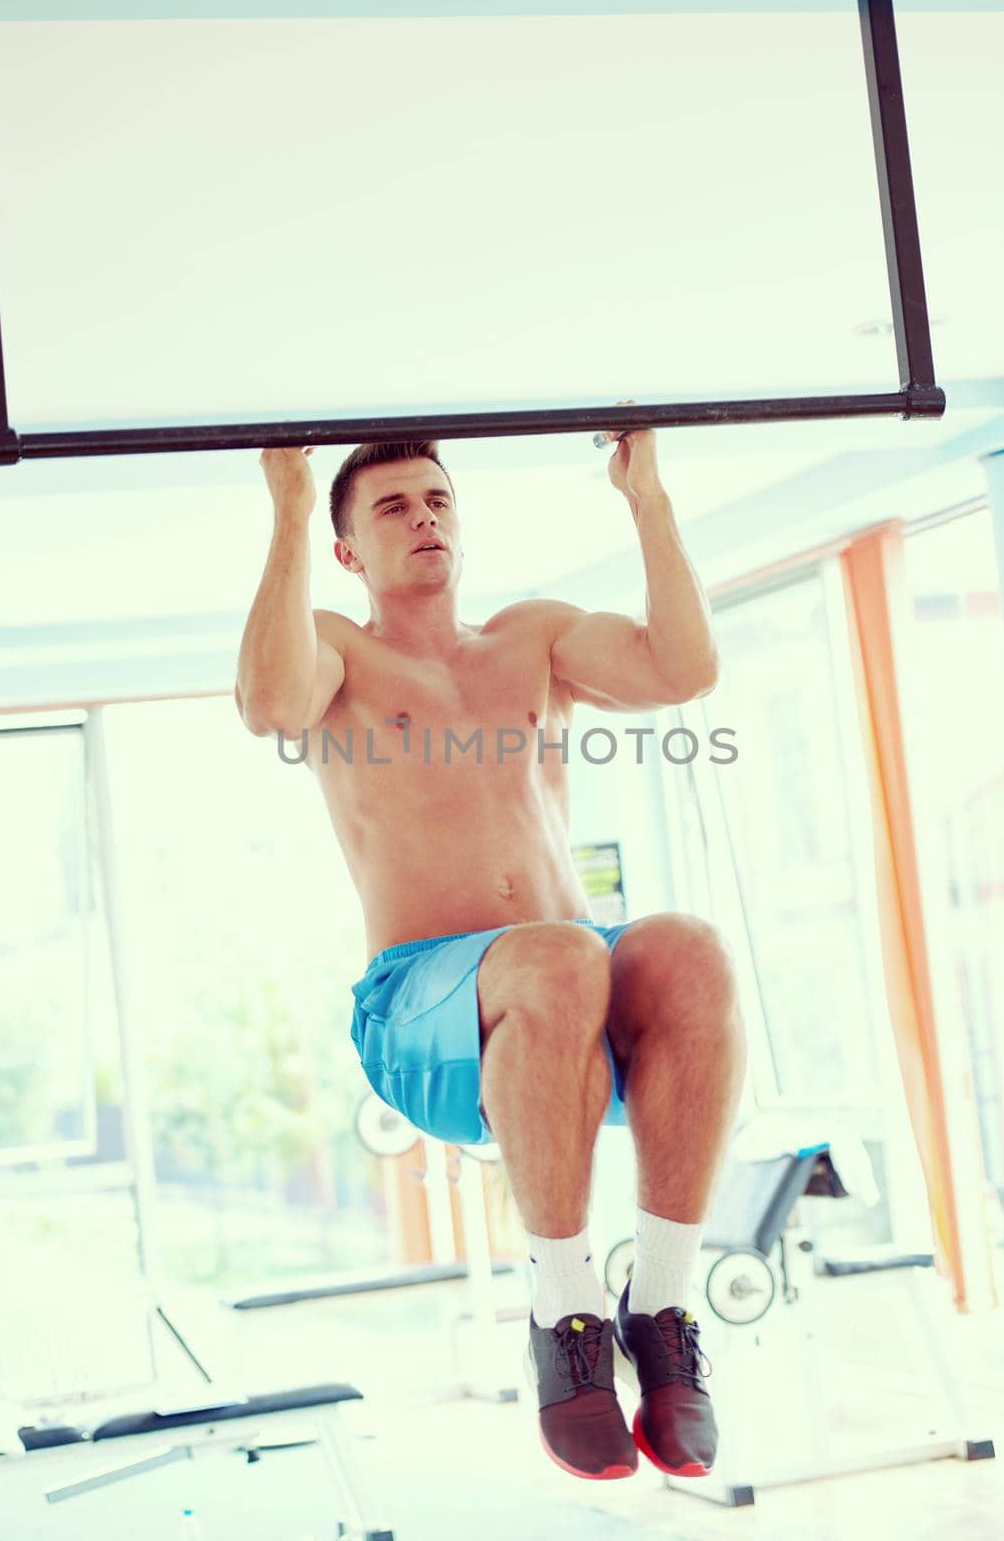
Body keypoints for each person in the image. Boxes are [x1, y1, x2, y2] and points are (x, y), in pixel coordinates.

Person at [235, 415, 747, 1482]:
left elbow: (681, 670)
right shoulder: (338, 647)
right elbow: (270, 703)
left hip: (573, 993)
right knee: (557, 952)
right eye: (392, 507)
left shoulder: (535, 636)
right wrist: (288, 503)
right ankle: (565, 1320)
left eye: (437, 500)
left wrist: (646, 496)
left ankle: (659, 1305)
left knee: (689, 948)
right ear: (348, 552)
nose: (424, 517)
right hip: (427, 1011)